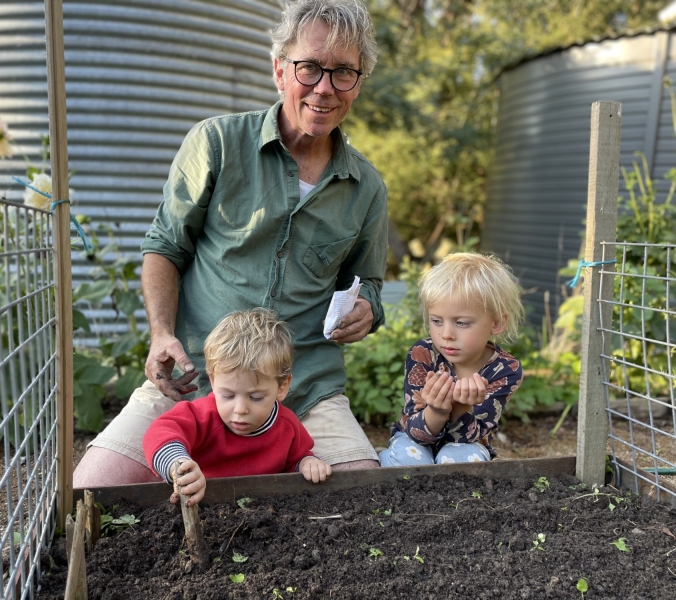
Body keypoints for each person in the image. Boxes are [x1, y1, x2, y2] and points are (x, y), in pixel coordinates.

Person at [74, 0, 388, 488]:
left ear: (358, 83)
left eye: (343, 72)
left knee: (362, 492)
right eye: (310, 68)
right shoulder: (216, 143)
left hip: (303, 390)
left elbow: (367, 281)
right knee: (92, 489)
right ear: (280, 69)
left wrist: (367, 305)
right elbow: (164, 247)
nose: (325, 87)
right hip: (198, 380)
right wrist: (161, 335)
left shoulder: (365, 186)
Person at [143, 308, 332, 506]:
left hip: (262, 511)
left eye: (256, 397)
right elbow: (159, 434)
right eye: (228, 395)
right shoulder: (201, 415)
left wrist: (306, 464)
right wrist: (177, 465)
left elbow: (296, 459)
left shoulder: (287, 426)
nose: (240, 409)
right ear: (213, 381)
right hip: (202, 503)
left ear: (282, 387)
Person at [379, 253, 524, 467]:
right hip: (414, 438)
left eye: (462, 323)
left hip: (468, 443)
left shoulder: (504, 370)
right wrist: (436, 411)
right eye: (436, 321)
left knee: (463, 462)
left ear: (496, 323)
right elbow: (417, 435)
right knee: (408, 458)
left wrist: (459, 409)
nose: (446, 334)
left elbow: (470, 436)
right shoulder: (424, 353)